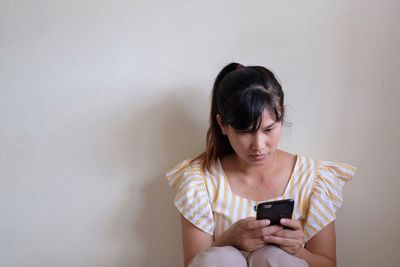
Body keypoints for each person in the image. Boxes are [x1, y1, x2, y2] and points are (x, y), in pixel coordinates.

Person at [166, 62, 357, 267]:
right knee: (221, 258)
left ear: (281, 117)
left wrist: (298, 252)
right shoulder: (200, 181)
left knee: (272, 257)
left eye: (268, 129)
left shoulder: (313, 179)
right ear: (222, 125)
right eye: (245, 131)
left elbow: (328, 263)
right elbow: (193, 264)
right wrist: (229, 240)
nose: (258, 145)